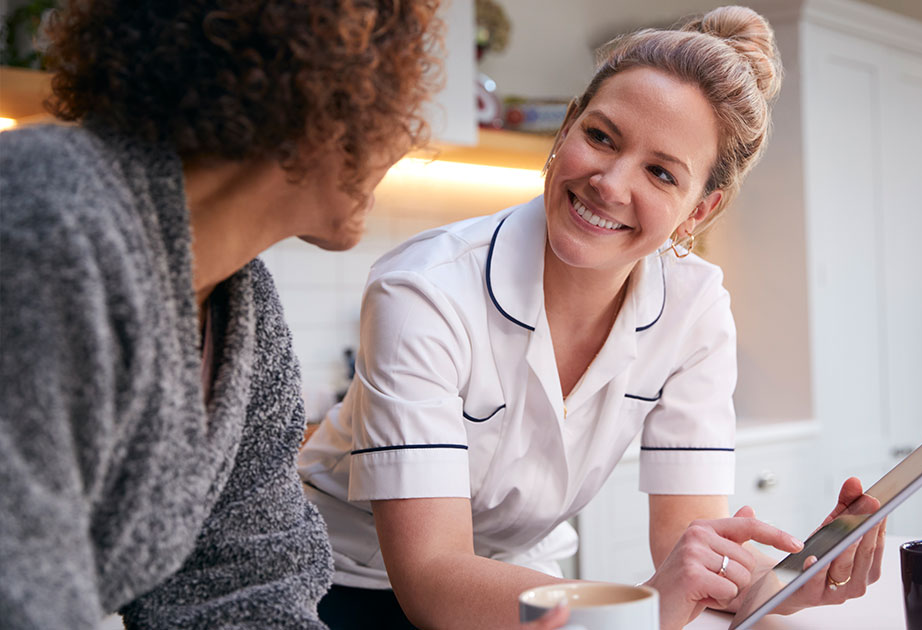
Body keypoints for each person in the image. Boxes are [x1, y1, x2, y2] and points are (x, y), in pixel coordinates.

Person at [299, 6, 887, 630]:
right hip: (346, 582)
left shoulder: (696, 309)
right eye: (601, 137)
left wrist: (780, 585)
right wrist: (645, 606)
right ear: (567, 129)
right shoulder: (426, 288)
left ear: (698, 212)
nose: (609, 183)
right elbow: (431, 577)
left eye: (661, 173)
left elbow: (685, 545)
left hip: (523, 577)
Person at [0, 1, 570, 629]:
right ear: (325, 99)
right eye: (392, 101)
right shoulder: (43, 220)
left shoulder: (242, 310)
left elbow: (246, 589)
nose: (403, 136)